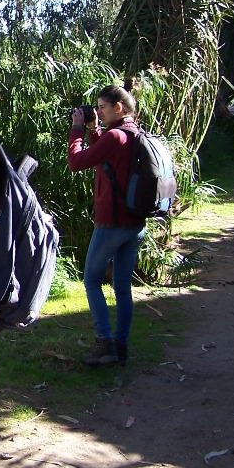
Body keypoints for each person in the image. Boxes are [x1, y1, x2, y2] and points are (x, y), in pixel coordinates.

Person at [67, 84, 147, 366]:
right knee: (123, 287)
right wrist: (93, 130)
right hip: (135, 222)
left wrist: (77, 129)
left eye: (102, 107)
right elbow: (109, 160)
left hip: (111, 223)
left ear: (118, 108)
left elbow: (77, 162)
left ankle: (105, 343)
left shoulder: (115, 136)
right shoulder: (134, 133)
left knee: (90, 281)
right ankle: (121, 345)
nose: (98, 111)